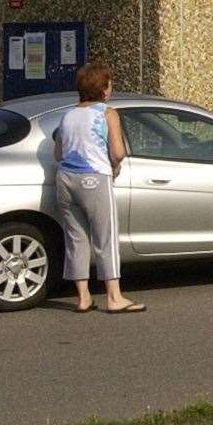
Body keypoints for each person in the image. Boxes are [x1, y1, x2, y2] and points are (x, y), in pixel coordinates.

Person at [53, 59, 144, 313]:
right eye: (109, 84)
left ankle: (83, 297)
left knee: (76, 238)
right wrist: (114, 167)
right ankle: (114, 297)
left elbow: (58, 153)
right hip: (94, 179)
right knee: (106, 238)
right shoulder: (107, 113)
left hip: (65, 179)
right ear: (103, 89)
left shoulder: (68, 114)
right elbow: (118, 151)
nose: (110, 88)